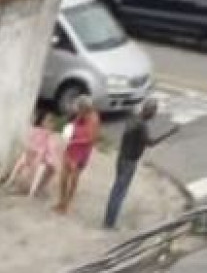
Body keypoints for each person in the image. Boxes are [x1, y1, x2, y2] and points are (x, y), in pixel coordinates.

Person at [105, 97, 164, 230]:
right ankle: (110, 222)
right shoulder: (142, 125)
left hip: (122, 157)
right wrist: (169, 133)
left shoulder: (133, 119)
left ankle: (109, 219)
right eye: (154, 112)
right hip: (129, 161)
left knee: (117, 188)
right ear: (149, 111)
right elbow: (151, 143)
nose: (154, 115)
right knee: (120, 191)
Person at [57, 96, 99, 214]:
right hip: (71, 149)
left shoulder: (93, 119)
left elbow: (91, 139)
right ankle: (61, 201)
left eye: (79, 109)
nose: (78, 112)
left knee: (73, 179)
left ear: (85, 109)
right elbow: (73, 124)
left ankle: (67, 203)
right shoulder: (81, 115)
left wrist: (73, 141)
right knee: (63, 177)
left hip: (81, 154)